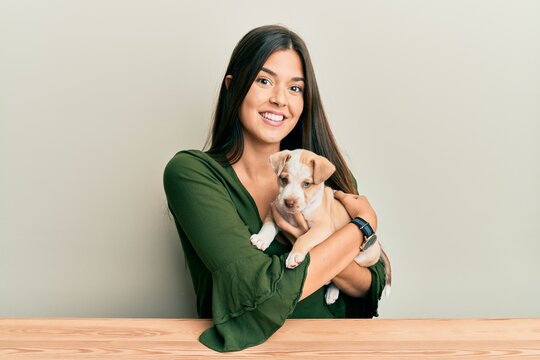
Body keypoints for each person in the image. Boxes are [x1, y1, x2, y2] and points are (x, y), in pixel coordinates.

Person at [163, 24, 387, 352]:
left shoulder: (321, 175)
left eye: (295, 89)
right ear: (233, 86)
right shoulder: (193, 174)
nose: (280, 99)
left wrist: (306, 241)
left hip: (341, 349)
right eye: (264, 81)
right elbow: (258, 297)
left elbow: (371, 284)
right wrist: (360, 227)